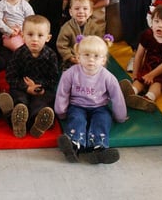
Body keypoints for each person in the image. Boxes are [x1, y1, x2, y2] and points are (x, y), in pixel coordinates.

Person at [54, 35, 127, 164]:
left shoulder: (108, 77)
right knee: (77, 119)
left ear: (103, 60)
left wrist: (120, 116)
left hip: (100, 107)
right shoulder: (70, 73)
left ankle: (98, 149)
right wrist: (61, 112)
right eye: (86, 55)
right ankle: (74, 145)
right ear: (78, 57)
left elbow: (117, 97)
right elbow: (62, 93)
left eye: (96, 56)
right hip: (77, 106)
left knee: (102, 120)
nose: (91, 60)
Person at [6, 15, 60, 138]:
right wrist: (26, 87)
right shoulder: (18, 54)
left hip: (42, 89)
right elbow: (10, 77)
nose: (35, 39)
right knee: (19, 99)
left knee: (43, 102)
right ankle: (19, 119)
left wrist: (38, 88)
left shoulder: (51, 56)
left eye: (40, 35)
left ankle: (38, 122)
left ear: (48, 38)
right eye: (30, 35)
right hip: (22, 87)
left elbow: (53, 78)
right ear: (23, 36)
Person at [120, 4, 162, 113]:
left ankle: (147, 99)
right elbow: (139, 55)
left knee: (156, 84)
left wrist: (152, 75)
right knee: (139, 80)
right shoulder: (147, 34)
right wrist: (135, 73)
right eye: (156, 21)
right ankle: (130, 93)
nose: (160, 25)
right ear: (151, 22)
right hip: (148, 67)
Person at [56, 0, 104, 70]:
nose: (81, 11)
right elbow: (61, 45)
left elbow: (99, 43)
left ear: (91, 12)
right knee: (69, 74)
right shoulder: (66, 28)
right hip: (72, 59)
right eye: (77, 9)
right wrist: (70, 57)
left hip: (90, 58)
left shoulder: (95, 27)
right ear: (71, 12)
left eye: (85, 9)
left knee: (98, 71)